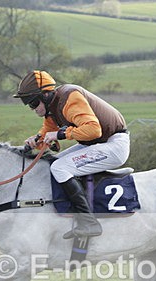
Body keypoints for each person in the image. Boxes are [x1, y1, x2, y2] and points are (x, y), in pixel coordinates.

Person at [13, 70, 130, 239]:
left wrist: (61, 135)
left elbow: (93, 129)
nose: (33, 109)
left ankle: (89, 222)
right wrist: (36, 140)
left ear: (46, 95)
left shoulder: (70, 97)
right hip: (98, 144)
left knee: (60, 168)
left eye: (33, 103)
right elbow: (48, 131)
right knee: (51, 163)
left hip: (113, 145)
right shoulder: (53, 107)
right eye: (29, 105)